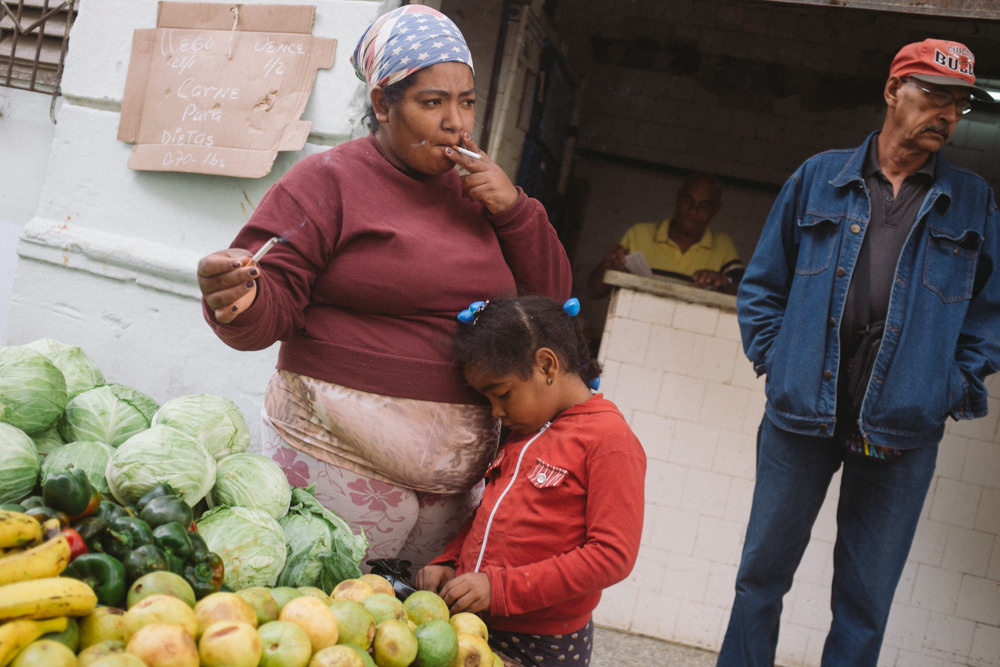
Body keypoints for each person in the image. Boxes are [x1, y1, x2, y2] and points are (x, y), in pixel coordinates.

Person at [196, 5, 572, 571]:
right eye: (432, 102)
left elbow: (550, 308)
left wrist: (515, 210)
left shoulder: (483, 193)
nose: (456, 123)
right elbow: (266, 308)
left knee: (405, 625)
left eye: (467, 101)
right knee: (321, 613)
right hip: (335, 455)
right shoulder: (327, 182)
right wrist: (237, 301)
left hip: (454, 489)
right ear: (382, 103)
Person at [718, 38, 1000, 666]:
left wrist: (949, 384)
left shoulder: (972, 199)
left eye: (959, 104)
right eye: (934, 94)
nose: (947, 114)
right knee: (760, 579)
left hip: (901, 427)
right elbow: (762, 285)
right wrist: (778, 361)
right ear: (893, 90)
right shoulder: (818, 178)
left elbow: (991, 312)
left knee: (865, 603)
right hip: (801, 415)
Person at [415, 296, 646, 667]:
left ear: (546, 365)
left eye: (503, 394)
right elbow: (489, 514)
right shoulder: (525, 433)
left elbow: (612, 556)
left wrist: (500, 589)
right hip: (475, 624)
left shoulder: (609, 440)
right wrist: (451, 561)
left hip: (544, 643)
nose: (496, 412)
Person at [586, 171, 744, 298]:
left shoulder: (723, 246)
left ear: (716, 209)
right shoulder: (639, 234)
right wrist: (607, 266)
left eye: (703, 206)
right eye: (687, 201)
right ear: (678, 197)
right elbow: (594, 292)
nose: (693, 211)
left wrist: (725, 282)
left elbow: (745, 295)